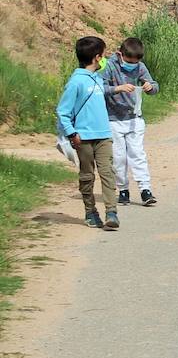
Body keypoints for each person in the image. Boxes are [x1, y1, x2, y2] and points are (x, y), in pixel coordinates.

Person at [57, 36, 120, 230]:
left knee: (108, 172)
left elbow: (108, 68)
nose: (104, 59)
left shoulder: (97, 78)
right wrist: (71, 133)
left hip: (104, 136)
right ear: (96, 57)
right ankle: (90, 211)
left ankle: (111, 213)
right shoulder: (76, 82)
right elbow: (62, 111)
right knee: (87, 176)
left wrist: (115, 59)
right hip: (83, 138)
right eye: (103, 56)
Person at [101, 36, 160, 207]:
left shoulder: (140, 67)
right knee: (119, 157)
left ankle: (145, 190)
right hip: (113, 120)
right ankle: (123, 190)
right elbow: (100, 88)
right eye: (128, 61)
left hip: (134, 119)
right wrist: (117, 88)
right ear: (120, 54)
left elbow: (154, 86)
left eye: (135, 62)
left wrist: (150, 87)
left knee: (137, 154)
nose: (131, 65)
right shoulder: (110, 65)